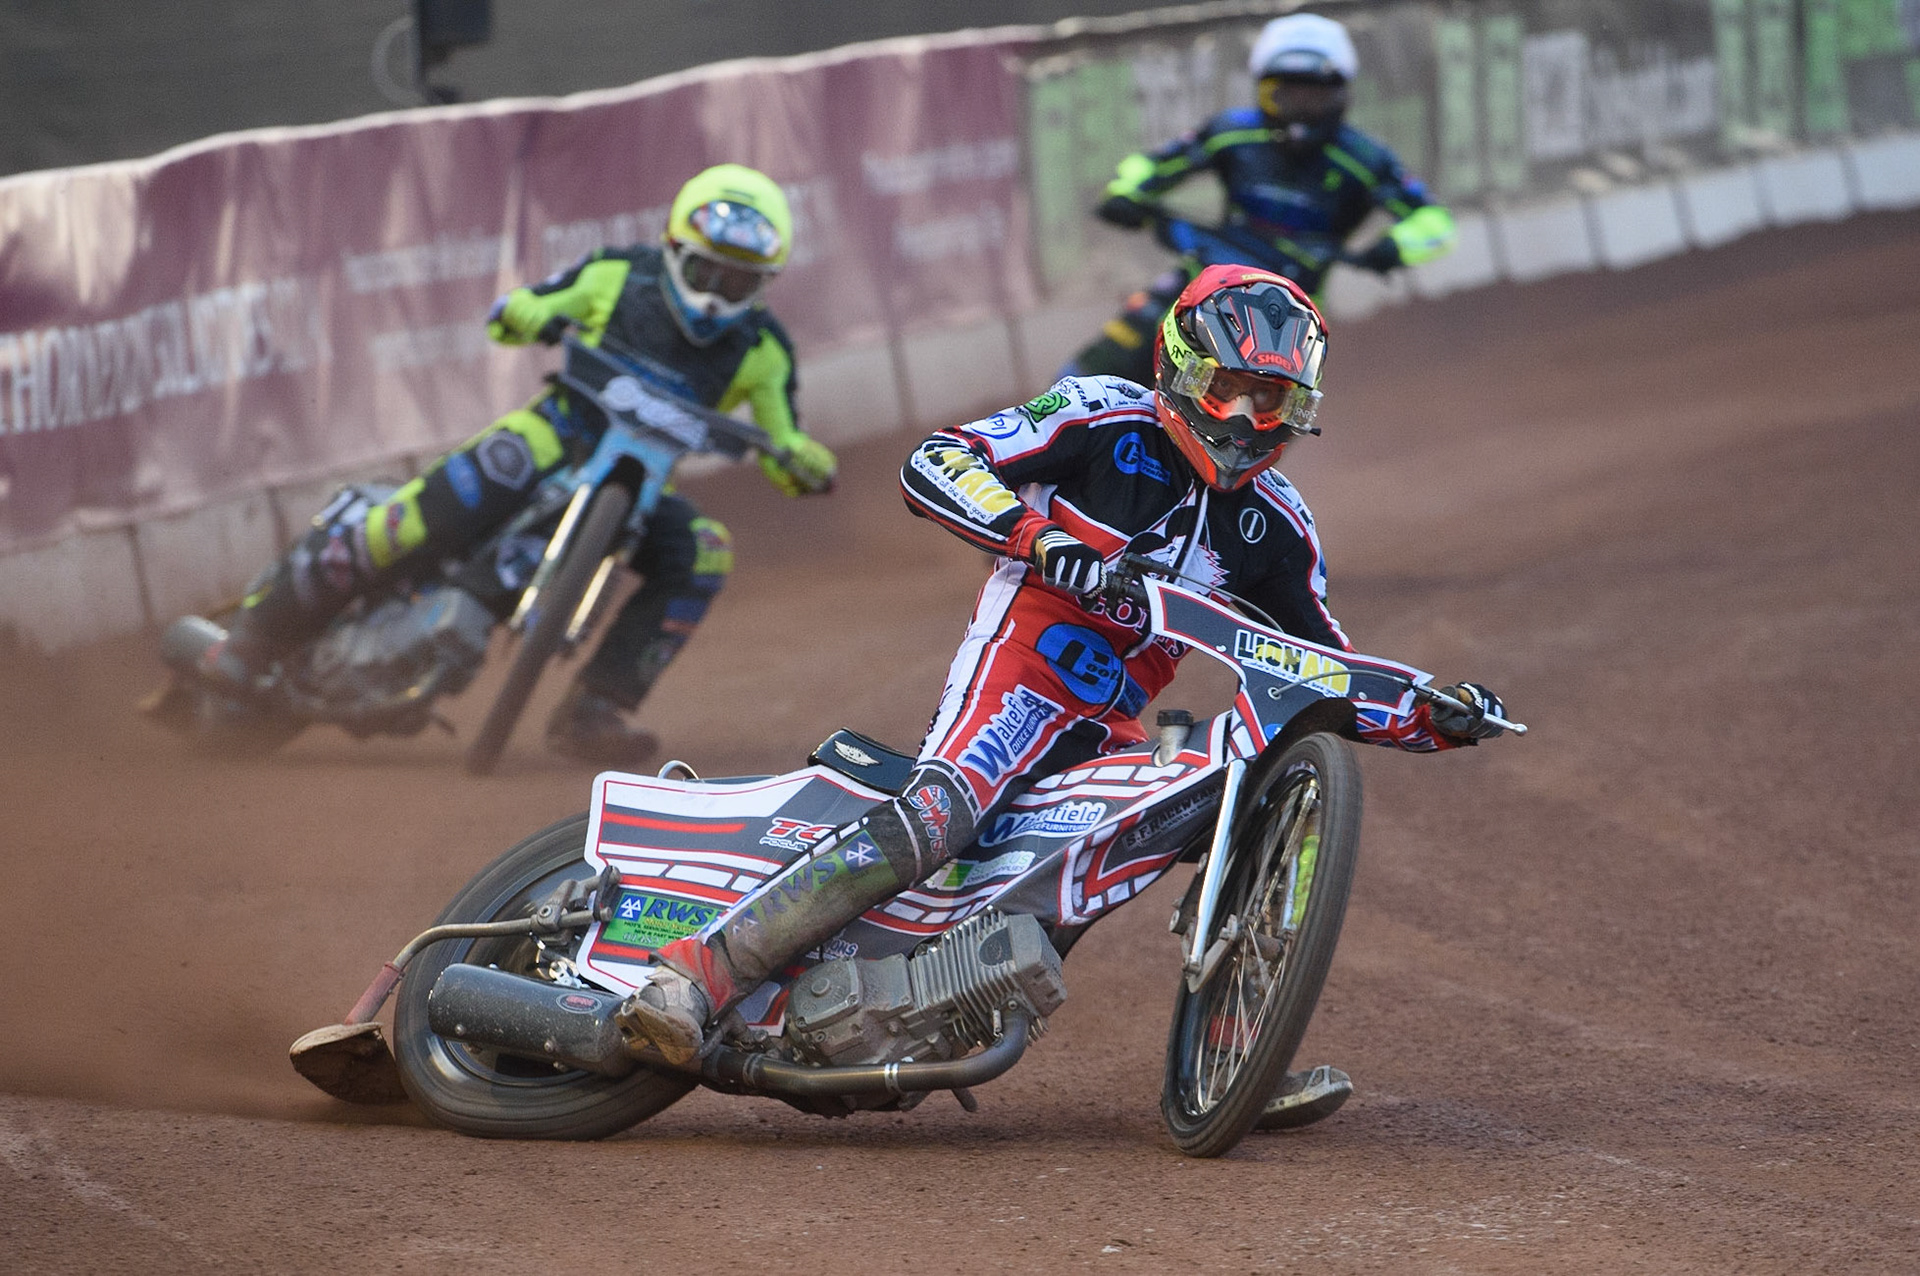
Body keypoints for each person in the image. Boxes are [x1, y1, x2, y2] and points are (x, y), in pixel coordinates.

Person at [618, 263, 1508, 1127]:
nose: (1245, 417)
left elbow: (1325, 665)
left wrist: (1434, 712)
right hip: (1021, 667)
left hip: (1111, 720)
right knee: (946, 812)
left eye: (1271, 400)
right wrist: (1036, 537)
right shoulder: (1096, 413)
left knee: (1201, 806)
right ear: (1181, 369)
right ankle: (696, 975)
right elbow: (939, 460)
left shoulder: (1274, 524)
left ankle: (1241, 1049)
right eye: (1232, 387)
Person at [180, 163, 837, 766]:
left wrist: (800, 460)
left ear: (764, 284)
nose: (718, 295)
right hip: (548, 438)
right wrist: (529, 313)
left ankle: (595, 709)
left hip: (638, 491)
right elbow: (532, 308)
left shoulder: (764, 349)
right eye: (705, 273)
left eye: (739, 281)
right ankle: (249, 643)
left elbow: (783, 446)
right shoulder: (616, 274)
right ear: (673, 251)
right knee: (410, 521)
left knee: (705, 551)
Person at [1063, 11, 1455, 384]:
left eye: (1314, 97)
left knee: (1245, 421)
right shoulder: (1231, 133)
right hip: (1200, 282)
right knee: (1088, 373)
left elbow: (1434, 221)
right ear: (1262, 92)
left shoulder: (1364, 160)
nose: (1300, 112)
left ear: (1341, 96)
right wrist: (1127, 193)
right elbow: (1155, 164)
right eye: (1287, 96)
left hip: (1286, 315)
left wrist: (1395, 247)